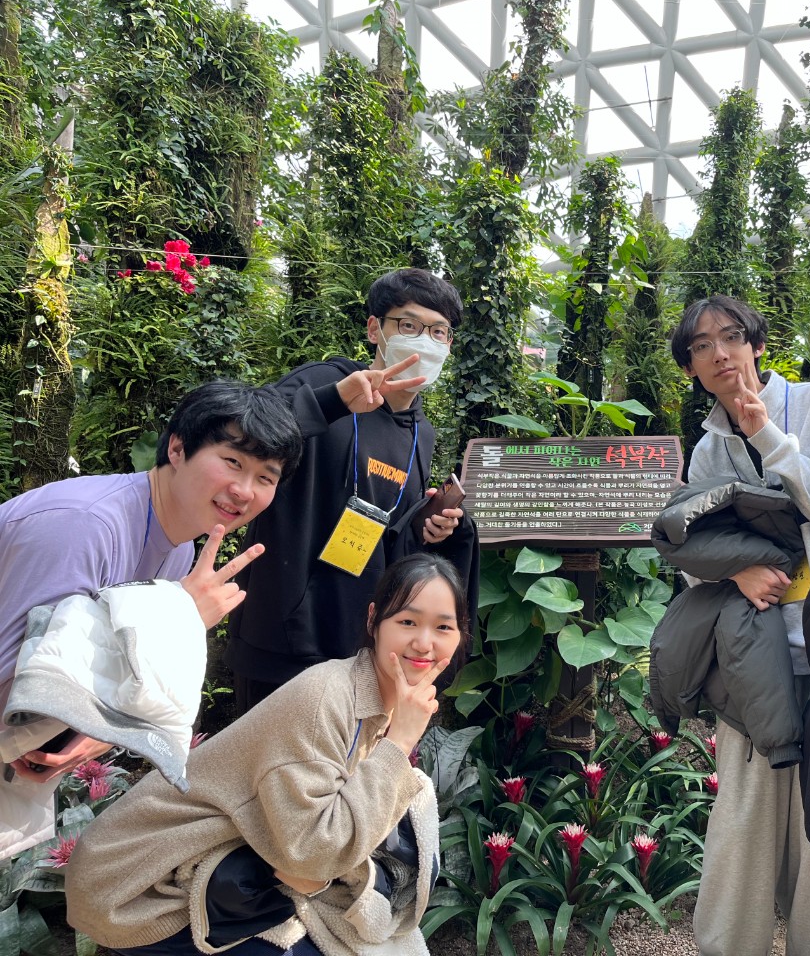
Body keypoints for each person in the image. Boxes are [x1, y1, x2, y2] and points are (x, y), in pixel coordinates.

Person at [65, 553, 464, 956]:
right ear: (374, 619)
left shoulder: (384, 701)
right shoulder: (325, 697)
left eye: (443, 627)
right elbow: (313, 856)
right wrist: (400, 742)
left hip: (221, 868)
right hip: (132, 888)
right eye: (407, 622)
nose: (423, 643)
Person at [0, 380, 303, 857]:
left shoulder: (180, 548)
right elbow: (15, 688)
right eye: (232, 462)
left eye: (266, 477)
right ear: (177, 448)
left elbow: (104, 682)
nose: (244, 490)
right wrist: (175, 623)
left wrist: (92, 737)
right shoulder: (83, 527)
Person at [669, 295, 810, 956]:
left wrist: (770, 440)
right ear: (691, 367)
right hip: (751, 663)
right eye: (701, 346)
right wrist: (738, 574)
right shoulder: (707, 450)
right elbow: (694, 558)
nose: (719, 354)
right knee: (742, 825)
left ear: (756, 344)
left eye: (730, 337)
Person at [226, 269, 475, 714]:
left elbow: (392, 524)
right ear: (375, 328)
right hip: (284, 636)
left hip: (360, 641)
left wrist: (428, 524)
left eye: (439, 332)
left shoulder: (421, 432)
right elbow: (243, 434)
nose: (425, 341)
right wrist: (334, 402)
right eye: (409, 325)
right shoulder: (326, 382)